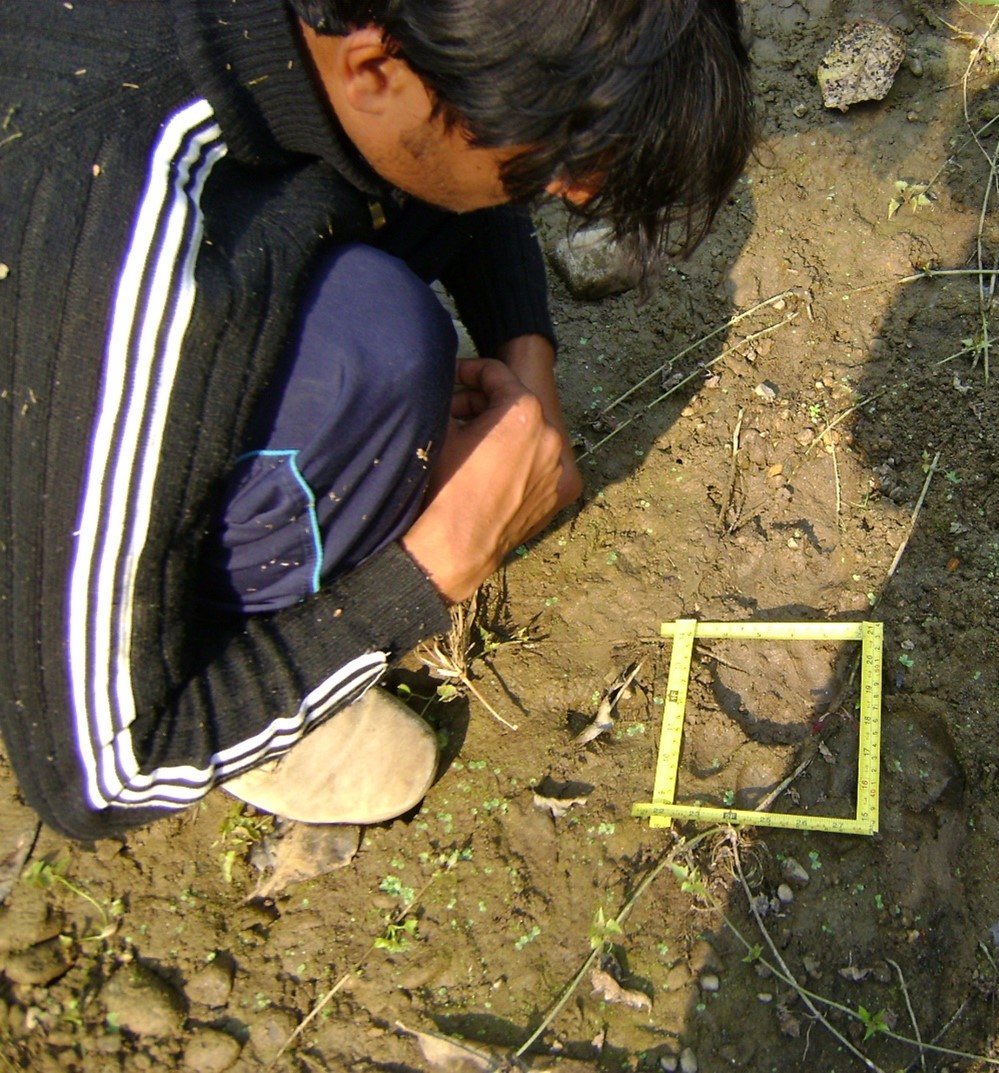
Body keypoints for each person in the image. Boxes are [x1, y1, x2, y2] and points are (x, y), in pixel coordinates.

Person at [0, 0, 755, 840]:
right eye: (537, 175)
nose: (561, 196)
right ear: (368, 72)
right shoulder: (111, 256)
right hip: (45, 371)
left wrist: (526, 352)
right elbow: (100, 773)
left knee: (414, 203)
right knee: (376, 346)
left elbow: (453, 119)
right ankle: (240, 654)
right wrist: (431, 569)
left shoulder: (376, 40)